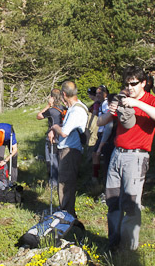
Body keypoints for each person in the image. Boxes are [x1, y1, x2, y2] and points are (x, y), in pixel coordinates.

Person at [98, 67, 155, 251]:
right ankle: (113, 244)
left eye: (134, 84)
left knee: (131, 205)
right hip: (117, 154)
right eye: (127, 84)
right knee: (112, 201)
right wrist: (111, 109)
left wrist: (137, 104)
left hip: (136, 158)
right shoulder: (123, 98)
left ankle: (129, 251)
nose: (130, 88)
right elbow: (101, 121)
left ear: (143, 83)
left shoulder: (150, 101)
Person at [49, 81, 88, 216]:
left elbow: (64, 132)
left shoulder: (76, 110)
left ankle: (66, 215)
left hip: (70, 151)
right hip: (69, 149)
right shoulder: (75, 107)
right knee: (66, 182)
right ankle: (66, 212)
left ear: (64, 94)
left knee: (65, 184)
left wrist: (54, 127)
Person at [36, 88, 63, 189]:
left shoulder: (51, 110)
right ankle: (60, 182)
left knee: (51, 160)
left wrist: (48, 105)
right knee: (59, 160)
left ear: (51, 97)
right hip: (62, 137)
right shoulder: (63, 108)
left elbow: (38, 116)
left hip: (51, 137)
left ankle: (53, 184)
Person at [91, 86, 113, 182]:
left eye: (100, 93)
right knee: (96, 154)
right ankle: (98, 176)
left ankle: (96, 177)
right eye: (96, 93)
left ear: (105, 94)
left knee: (97, 154)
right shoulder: (101, 104)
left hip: (105, 133)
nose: (98, 95)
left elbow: (108, 119)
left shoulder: (106, 104)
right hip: (101, 133)